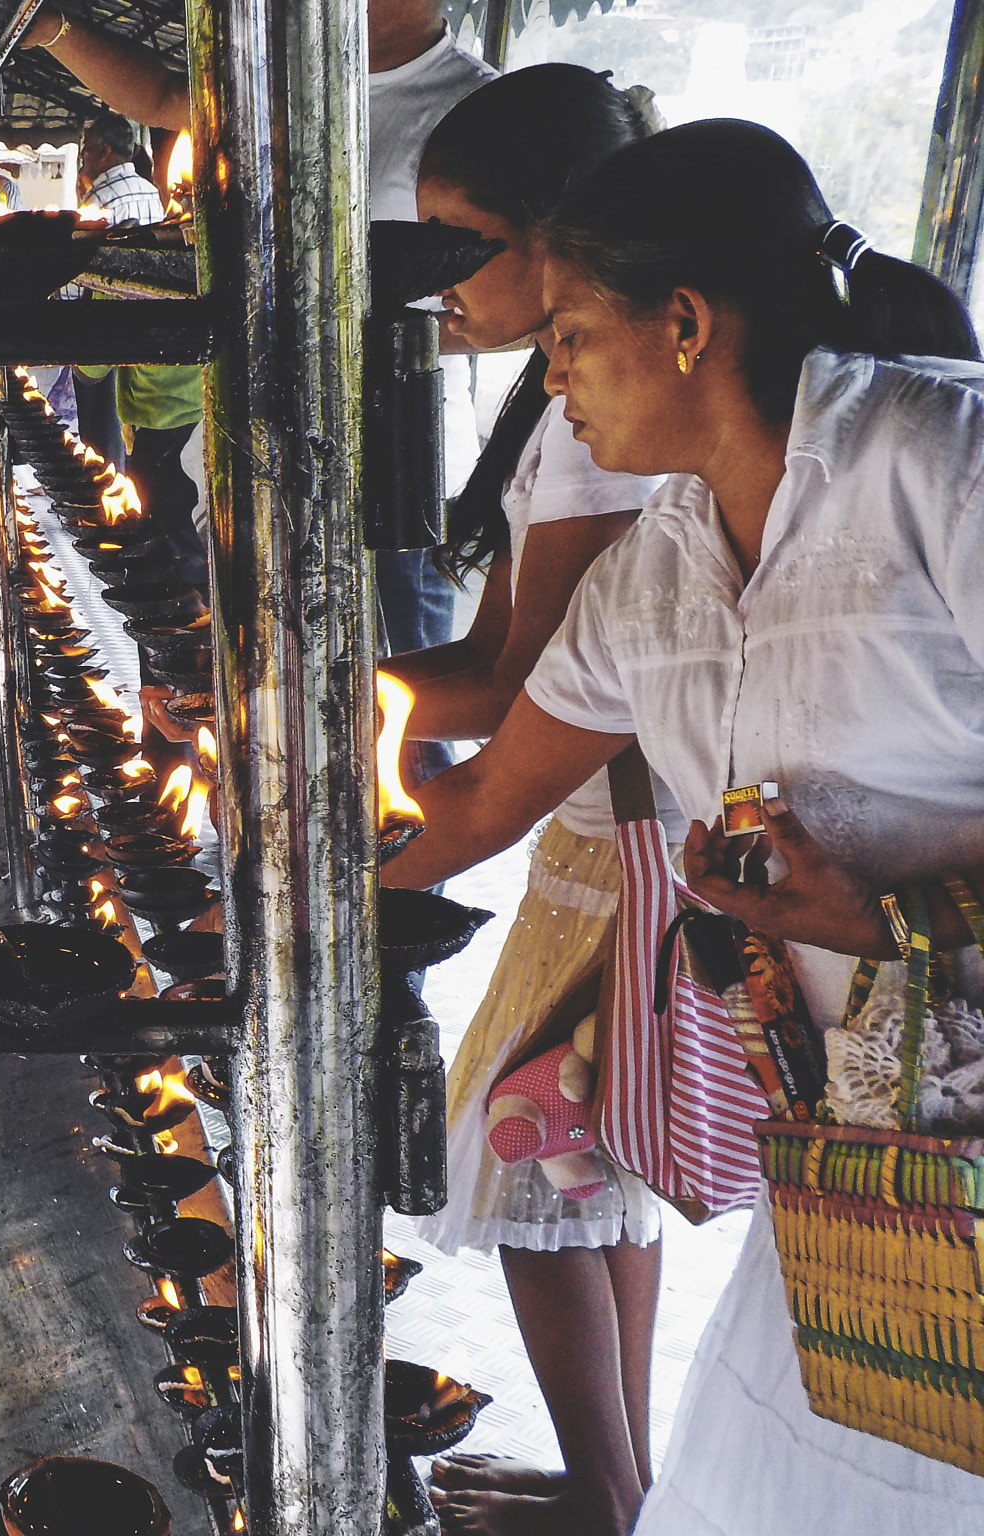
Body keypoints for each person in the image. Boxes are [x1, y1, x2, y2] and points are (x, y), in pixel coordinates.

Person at [382, 119, 984, 1536]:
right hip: (877, 1184)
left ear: (688, 326)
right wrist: (280, 875)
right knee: (819, 1470)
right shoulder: (659, 574)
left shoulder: (938, 470)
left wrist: (898, 916)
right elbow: (473, 802)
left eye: (576, 332)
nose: (554, 371)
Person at [374, 65, 672, 1535]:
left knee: (528, 1136)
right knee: (594, 1152)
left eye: (455, 239)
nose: (434, 278)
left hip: (634, 834)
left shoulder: (599, 411)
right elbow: (500, 663)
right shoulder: (565, 405)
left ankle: (612, 1503)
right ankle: (623, 1480)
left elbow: (519, 678)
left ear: (555, 237)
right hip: (605, 818)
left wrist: (312, 718)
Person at [21, 0, 491, 759]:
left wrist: (341, 328)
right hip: (263, 458)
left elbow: (507, 304)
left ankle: (406, 873)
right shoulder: (276, 83)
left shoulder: (476, 107)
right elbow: (172, 99)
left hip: (398, 466)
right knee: (266, 698)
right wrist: (52, 28)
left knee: (399, 713)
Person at [67, 113, 166, 471]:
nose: (86, 161)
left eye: (87, 153)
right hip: (147, 326)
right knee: (131, 430)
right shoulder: (149, 190)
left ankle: (103, 494)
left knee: (100, 431)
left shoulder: (99, 200)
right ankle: (121, 488)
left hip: (105, 324)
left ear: (105, 151)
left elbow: (76, 272)